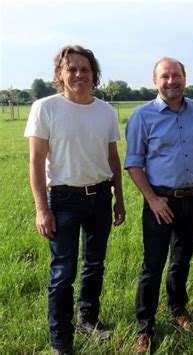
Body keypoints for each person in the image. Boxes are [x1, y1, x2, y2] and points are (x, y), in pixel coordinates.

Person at [24, 45, 125, 354]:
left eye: (85, 69)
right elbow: (35, 162)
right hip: (63, 200)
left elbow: (113, 158)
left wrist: (119, 198)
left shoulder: (105, 110)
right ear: (60, 74)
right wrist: (42, 209)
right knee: (62, 273)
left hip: (99, 199)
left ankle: (88, 319)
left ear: (94, 75)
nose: (79, 74)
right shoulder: (46, 108)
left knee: (95, 265)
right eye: (72, 69)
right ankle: (60, 340)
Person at [125, 57, 193, 354]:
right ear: (155, 80)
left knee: (181, 261)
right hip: (160, 201)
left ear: (185, 78)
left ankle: (178, 311)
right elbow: (133, 163)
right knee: (153, 266)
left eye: (176, 75)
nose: (171, 81)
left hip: (191, 200)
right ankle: (144, 328)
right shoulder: (142, 116)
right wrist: (153, 199)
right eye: (165, 76)